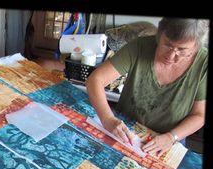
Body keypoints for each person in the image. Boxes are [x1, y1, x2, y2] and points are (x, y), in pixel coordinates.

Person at [86, 18, 209, 157]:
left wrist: (171, 137)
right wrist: (107, 119)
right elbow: (95, 80)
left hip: (171, 138)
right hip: (127, 130)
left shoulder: (204, 64)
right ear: (160, 34)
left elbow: (199, 115)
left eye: (182, 50)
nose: (171, 55)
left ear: (196, 47)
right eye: (167, 45)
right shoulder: (140, 46)